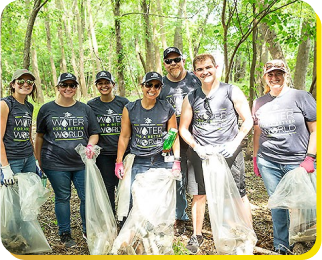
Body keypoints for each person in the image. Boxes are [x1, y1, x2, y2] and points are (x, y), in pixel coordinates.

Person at [179, 54, 254, 254]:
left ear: (216, 67)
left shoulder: (231, 91)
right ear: (195, 73)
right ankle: (197, 235)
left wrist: (235, 142)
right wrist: (196, 146)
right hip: (201, 154)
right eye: (200, 69)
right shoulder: (191, 97)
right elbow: (183, 128)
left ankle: (247, 233)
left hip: (229, 152)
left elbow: (248, 120)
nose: (205, 72)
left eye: (208, 67)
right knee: (199, 195)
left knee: (238, 194)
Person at [252, 60, 316, 255]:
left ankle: (304, 242)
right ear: (265, 77)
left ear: (286, 73)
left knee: (301, 204)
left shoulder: (300, 96)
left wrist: (310, 157)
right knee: (277, 204)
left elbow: (315, 129)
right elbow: (257, 132)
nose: (274, 78)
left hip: (297, 162)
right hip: (269, 161)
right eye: (270, 74)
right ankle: (281, 246)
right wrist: (255, 158)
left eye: (278, 73)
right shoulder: (259, 102)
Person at [35, 72, 101, 248]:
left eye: (72, 85)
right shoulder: (46, 109)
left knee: (86, 197)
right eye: (64, 85)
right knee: (63, 197)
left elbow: (94, 133)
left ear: (76, 88)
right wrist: (38, 160)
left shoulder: (84, 109)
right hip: (55, 163)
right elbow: (39, 136)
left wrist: (90, 146)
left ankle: (88, 230)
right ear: (58, 87)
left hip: (81, 163)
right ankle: (65, 234)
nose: (68, 88)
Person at [115, 71, 180, 218]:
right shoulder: (130, 108)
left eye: (157, 86)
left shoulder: (167, 108)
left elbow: (173, 135)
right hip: (139, 159)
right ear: (142, 86)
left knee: (161, 198)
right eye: (149, 85)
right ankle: (134, 229)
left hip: (161, 159)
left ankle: (157, 229)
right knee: (135, 196)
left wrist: (176, 160)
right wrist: (119, 162)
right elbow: (125, 136)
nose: (152, 89)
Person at [159, 47, 201, 235]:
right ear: (164, 64)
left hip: (196, 136)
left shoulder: (195, 79)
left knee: (199, 178)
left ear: (183, 60)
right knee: (177, 178)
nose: (173, 63)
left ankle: (202, 214)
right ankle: (180, 216)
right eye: (168, 61)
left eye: (176, 59)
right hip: (171, 139)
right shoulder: (158, 84)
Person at [87, 71, 129, 215]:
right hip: (104, 154)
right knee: (108, 187)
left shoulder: (124, 103)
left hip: (123, 152)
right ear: (97, 86)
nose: (104, 86)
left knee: (124, 187)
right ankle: (110, 217)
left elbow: (130, 127)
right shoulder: (91, 105)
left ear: (113, 84)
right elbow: (90, 129)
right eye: (100, 83)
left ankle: (124, 218)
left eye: (107, 83)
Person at [0, 69, 38, 185]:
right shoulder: (5, 104)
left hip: (29, 158)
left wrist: (35, 159)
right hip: (12, 159)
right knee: (14, 199)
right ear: (13, 84)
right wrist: (5, 167)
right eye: (21, 81)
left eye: (30, 81)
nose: (25, 84)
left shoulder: (29, 106)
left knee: (30, 197)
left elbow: (29, 136)